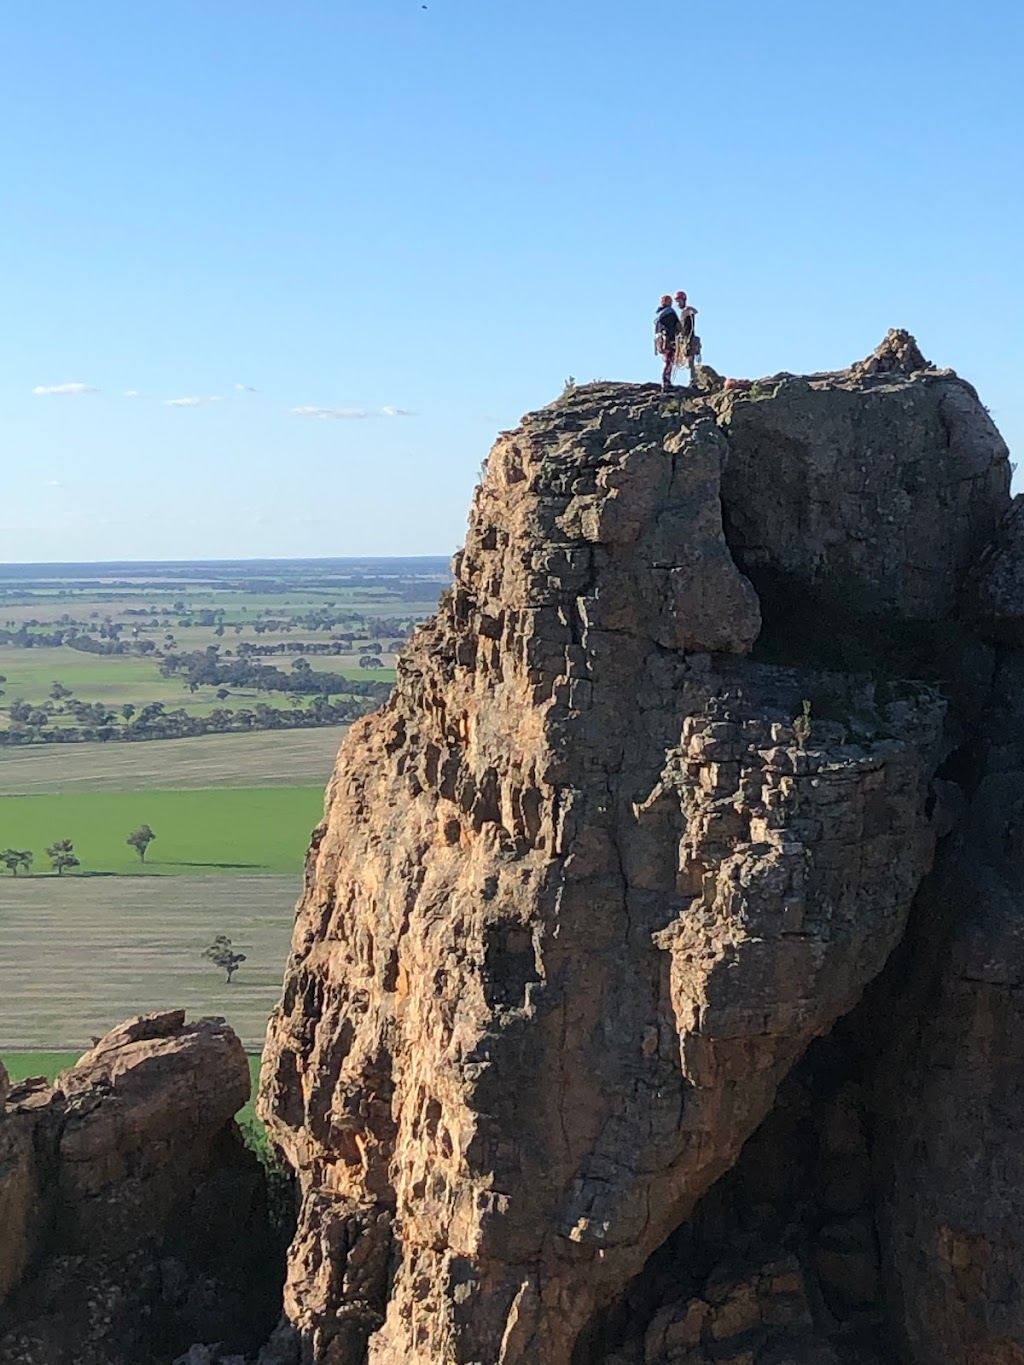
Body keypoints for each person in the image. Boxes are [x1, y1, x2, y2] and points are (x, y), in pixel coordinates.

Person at [654, 294, 680, 391]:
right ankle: (666, 381)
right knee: (669, 361)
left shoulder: (659, 314)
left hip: (661, 341)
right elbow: (675, 326)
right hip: (669, 340)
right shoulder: (670, 313)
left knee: (667, 361)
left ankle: (666, 381)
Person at [674, 291, 701, 384]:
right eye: (677, 301)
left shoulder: (687, 312)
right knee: (688, 360)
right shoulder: (684, 312)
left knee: (690, 360)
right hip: (684, 339)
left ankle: (693, 379)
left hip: (688, 339)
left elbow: (688, 327)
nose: (677, 304)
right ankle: (693, 379)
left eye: (679, 301)